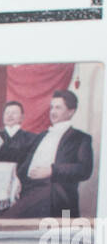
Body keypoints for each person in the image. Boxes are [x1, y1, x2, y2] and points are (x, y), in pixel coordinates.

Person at [10, 90, 94, 218]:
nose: (53, 112)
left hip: (58, 196)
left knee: (62, 230)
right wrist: (18, 181)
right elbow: (26, 162)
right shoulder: (42, 135)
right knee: (8, 220)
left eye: (58, 108)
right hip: (29, 190)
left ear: (71, 111)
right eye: (51, 107)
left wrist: (52, 170)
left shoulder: (81, 138)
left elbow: (84, 170)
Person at [0, 100, 36, 166]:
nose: (9, 115)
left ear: (22, 117)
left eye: (14, 113)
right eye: (7, 113)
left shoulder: (31, 138)